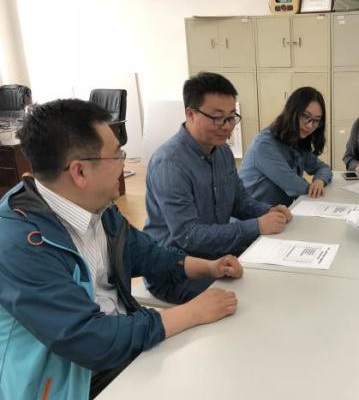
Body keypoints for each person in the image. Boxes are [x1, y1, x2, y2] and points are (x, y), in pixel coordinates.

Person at [0, 99, 242, 399]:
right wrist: (191, 313)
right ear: (79, 172)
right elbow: (89, 340)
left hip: (121, 345)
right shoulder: (18, 244)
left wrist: (209, 266)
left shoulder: (97, 207)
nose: (123, 164)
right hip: (72, 381)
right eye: (117, 155)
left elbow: (148, 254)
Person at [144, 72, 292, 304]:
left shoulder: (222, 151)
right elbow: (189, 236)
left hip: (216, 254)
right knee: (253, 297)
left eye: (231, 117)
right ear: (190, 114)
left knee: (278, 274)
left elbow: (239, 201)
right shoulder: (169, 164)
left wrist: (268, 210)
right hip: (177, 270)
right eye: (217, 118)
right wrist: (256, 226)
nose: (227, 127)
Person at [238, 86, 332, 206]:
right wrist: (313, 188)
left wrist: (320, 180)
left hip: (278, 212)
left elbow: (323, 168)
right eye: (306, 116)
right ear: (292, 112)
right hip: (252, 215)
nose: (310, 125)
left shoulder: (297, 140)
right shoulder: (264, 144)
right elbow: (294, 186)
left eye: (316, 120)